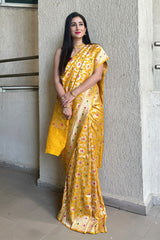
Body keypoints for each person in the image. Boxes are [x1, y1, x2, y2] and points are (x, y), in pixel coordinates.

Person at [45, 12, 109, 234]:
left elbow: (97, 76)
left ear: (85, 28)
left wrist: (71, 94)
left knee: (85, 156)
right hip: (68, 110)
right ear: (68, 29)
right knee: (71, 157)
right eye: (73, 24)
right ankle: (71, 208)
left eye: (81, 24)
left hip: (89, 110)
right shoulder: (61, 53)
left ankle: (88, 209)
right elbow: (56, 78)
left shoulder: (94, 50)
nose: (78, 27)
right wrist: (65, 101)